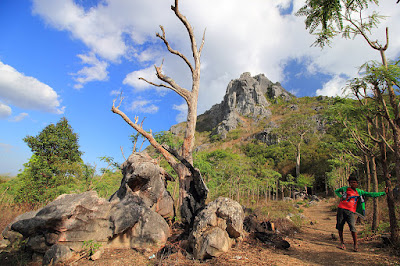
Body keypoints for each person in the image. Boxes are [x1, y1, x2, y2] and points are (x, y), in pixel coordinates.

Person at [334, 175, 388, 252]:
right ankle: (342, 243)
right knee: (340, 226)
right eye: (351, 182)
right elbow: (336, 191)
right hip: (341, 209)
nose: (353, 184)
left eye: (354, 182)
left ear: (357, 184)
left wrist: (383, 193)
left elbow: (371, 194)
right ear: (349, 183)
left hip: (351, 211)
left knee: (352, 227)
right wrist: (341, 196)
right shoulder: (345, 189)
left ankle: (355, 245)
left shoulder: (359, 192)